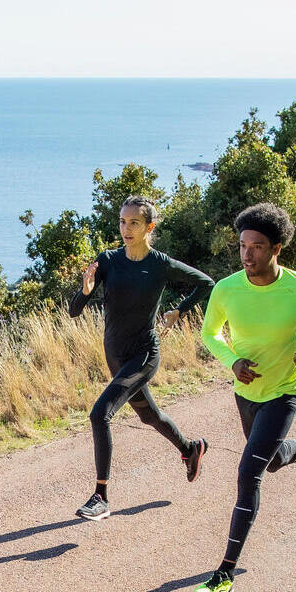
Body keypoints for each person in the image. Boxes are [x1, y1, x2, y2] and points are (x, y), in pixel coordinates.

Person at [190, 201, 296, 592]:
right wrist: (233, 361)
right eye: (243, 245)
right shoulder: (227, 289)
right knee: (273, 460)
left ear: (276, 248)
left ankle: (224, 574)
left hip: (284, 392)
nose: (248, 254)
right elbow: (211, 334)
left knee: (249, 473)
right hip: (246, 394)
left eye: (258, 246)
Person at [67, 197, 214, 521]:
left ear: (149, 227)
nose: (126, 228)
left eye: (134, 223)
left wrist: (180, 309)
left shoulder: (160, 264)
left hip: (144, 355)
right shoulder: (108, 260)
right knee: (150, 416)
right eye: (122, 221)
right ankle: (190, 449)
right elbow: (74, 310)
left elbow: (206, 283)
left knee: (99, 414)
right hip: (115, 356)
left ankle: (100, 496)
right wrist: (87, 290)